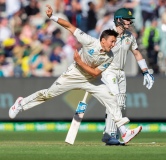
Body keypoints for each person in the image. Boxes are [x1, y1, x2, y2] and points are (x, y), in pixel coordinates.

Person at [9, 5, 142, 145]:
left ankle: (123, 131)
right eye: (112, 42)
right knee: (48, 94)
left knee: (111, 98)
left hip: (92, 79)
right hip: (74, 75)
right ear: (103, 40)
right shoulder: (89, 41)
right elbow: (69, 27)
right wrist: (52, 17)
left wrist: (79, 61)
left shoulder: (109, 56)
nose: (114, 45)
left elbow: (95, 72)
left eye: (115, 42)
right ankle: (21, 104)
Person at [97, 8, 154, 145]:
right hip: (108, 70)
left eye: (129, 20)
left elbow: (137, 54)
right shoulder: (107, 34)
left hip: (121, 72)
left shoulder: (129, 36)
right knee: (114, 100)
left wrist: (146, 72)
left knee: (120, 103)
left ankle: (110, 135)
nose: (129, 22)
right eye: (126, 19)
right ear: (118, 20)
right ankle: (115, 134)